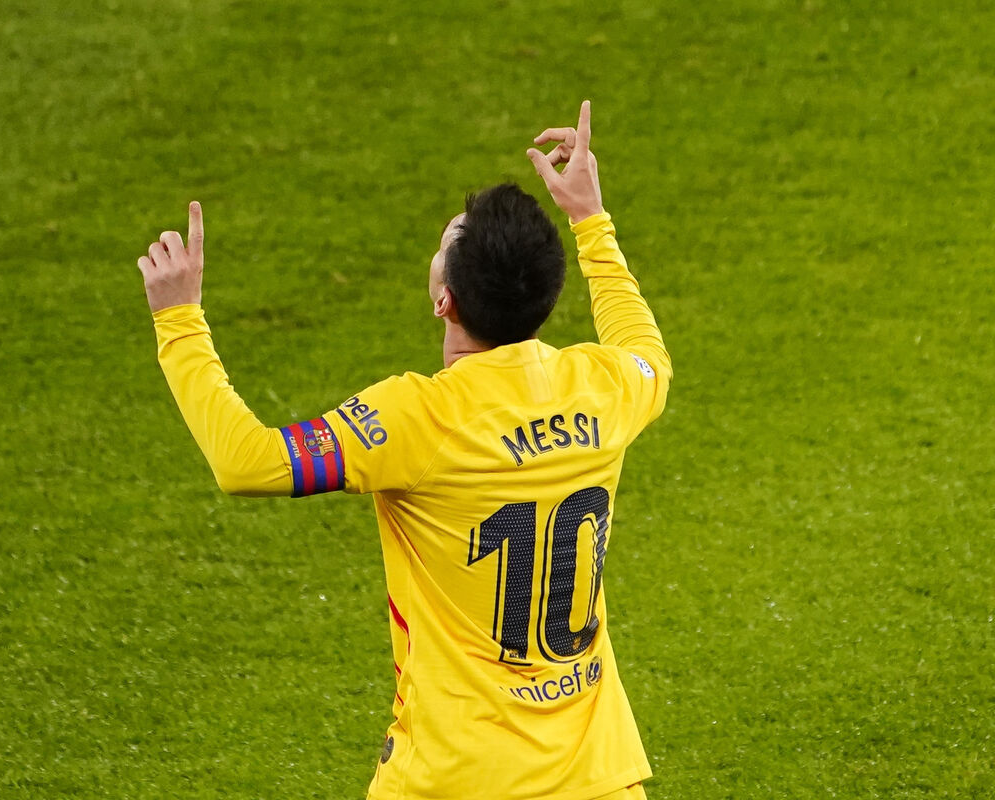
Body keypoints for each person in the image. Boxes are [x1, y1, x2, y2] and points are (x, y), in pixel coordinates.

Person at [136, 101, 671, 800]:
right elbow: (644, 348)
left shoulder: (415, 419)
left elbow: (248, 461)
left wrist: (179, 321)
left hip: (454, 780)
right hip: (596, 779)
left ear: (444, 301)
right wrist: (590, 219)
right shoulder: (604, 387)